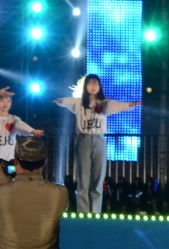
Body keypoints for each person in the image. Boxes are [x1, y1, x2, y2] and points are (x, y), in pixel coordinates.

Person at [53, 75, 139, 214]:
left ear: (99, 87)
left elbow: (116, 105)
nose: (93, 86)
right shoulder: (79, 103)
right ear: (85, 86)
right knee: (83, 179)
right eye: (90, 83)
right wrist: (61, 101)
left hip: (99, 140)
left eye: (96, 83)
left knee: (98, 178)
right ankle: (83, 213)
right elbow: (69, 101)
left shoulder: (104, 103)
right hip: (83, 139)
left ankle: (95, 213)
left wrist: (130, 105)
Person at [0, 92, 44, 200]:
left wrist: (32, 131)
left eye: (8, 101)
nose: (5, 103)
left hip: (10, 161)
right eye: (2, 100)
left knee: (10, 188)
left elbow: (21, 125)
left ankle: (9, 209)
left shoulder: (14, 119)